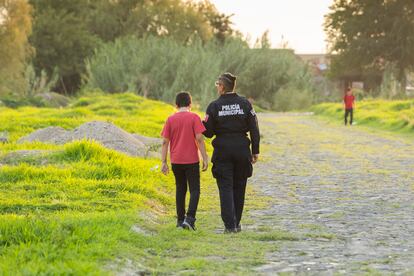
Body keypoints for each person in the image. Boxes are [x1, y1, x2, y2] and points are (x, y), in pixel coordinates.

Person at [203, 72, 260, 233]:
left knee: (225, 187)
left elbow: (208, 132)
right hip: (242, 150)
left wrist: (201, 123)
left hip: (223, 151)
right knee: (240, 186)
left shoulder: (214, 106)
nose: (217, 88)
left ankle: (230, 225)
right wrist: (255, 150)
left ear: (222, 87)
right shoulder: (245, 104)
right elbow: (254, 128)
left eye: (217, 85)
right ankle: (237, 222)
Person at [161, 92, 209, 231]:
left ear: (176, 105)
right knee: (195, 189)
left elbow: (165, 142)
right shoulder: (194, 117)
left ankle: (180, 220)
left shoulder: (170, 119)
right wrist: (205, 158)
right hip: (192, 160)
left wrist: (164, 162)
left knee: (180, 189)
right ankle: (190, 219)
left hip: (176, 161)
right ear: (190, 104)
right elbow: (199, 139)